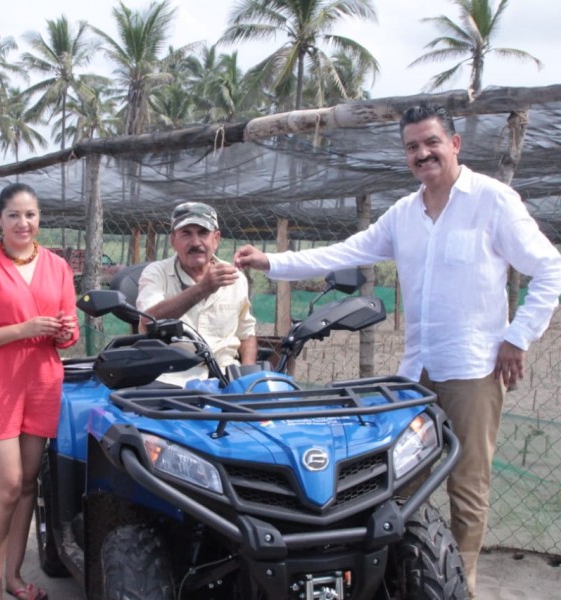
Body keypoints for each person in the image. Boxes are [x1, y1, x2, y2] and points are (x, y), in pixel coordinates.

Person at [234, 103, 561, 597]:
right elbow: (346, 251)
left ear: (454, 144)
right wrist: (270, 261)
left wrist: (518, 337)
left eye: (431, 143)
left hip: (472, 368)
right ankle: (399, 579)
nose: (422, 154)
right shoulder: (404, 214)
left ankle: (460, 587)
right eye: (412, 147)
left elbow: (549, 268)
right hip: (416, 374)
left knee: (467, 487)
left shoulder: (492, 201)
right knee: (397, 478)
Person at [0, 182, 79, 600]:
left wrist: (65, 332)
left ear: (40, 218)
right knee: (5, 486)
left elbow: (68, 334)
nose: (23, 223)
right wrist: (22, 330)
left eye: (30, 215)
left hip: (42, 381)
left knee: (27, 485)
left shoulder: (58, 267)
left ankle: (14, 578)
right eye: (13, 215)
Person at [136, 201, 257, 386]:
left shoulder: (236, 278)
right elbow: (148, 322)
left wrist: (248, 377)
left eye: (203, 233)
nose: (195, 243)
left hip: (225, 376)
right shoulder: (156, 273)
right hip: (171, 379)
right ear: (173, 240)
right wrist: (203, 288)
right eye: (186, 234)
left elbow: (247, 334)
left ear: (216, 239)